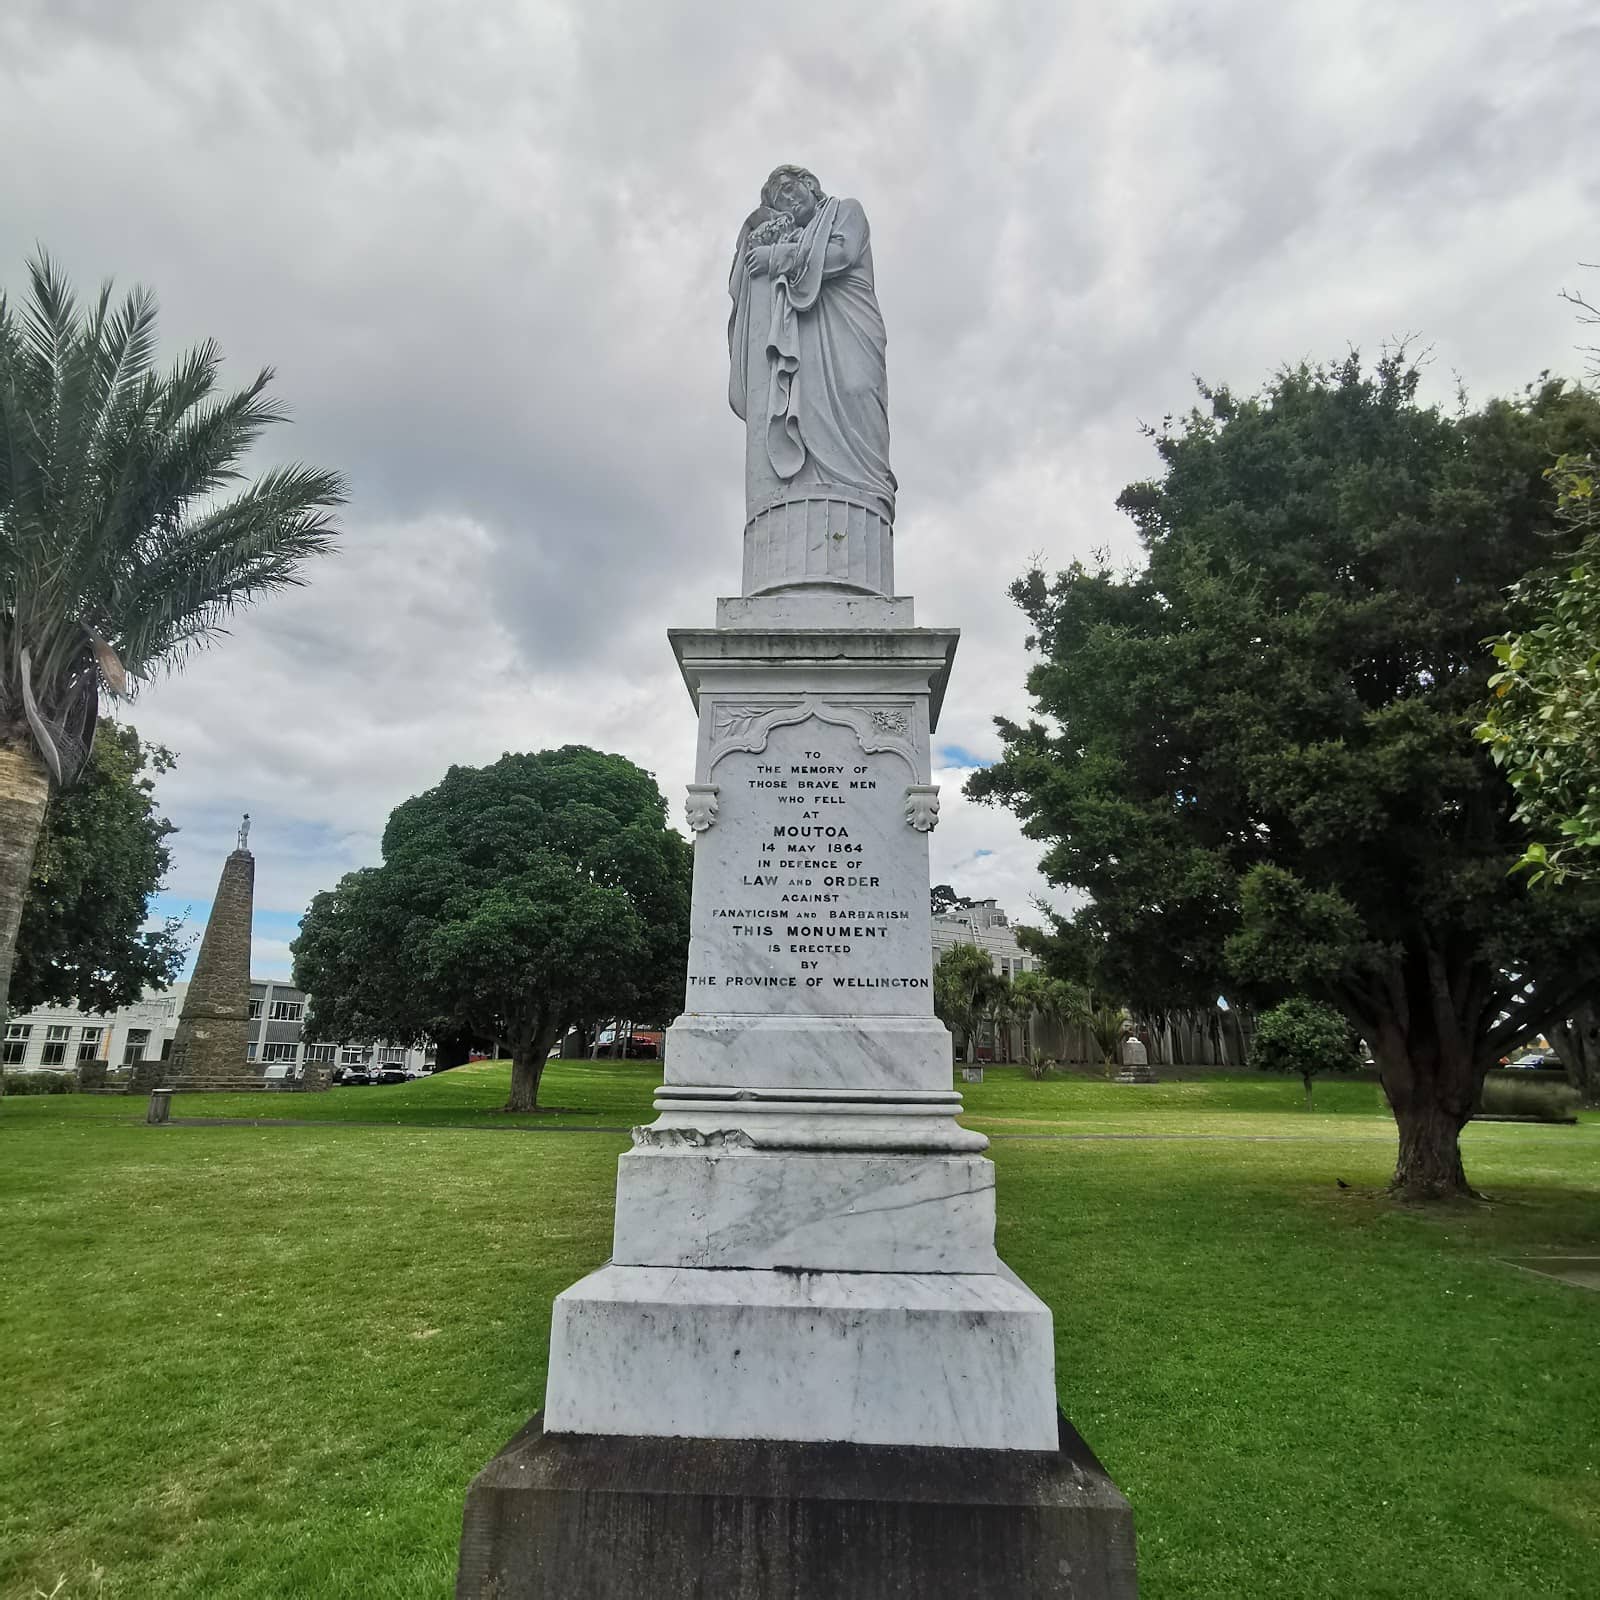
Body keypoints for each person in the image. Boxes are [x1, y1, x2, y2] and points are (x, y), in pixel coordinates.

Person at [727, 165, 896, 529]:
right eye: (778, 200)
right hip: (809, 344)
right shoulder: (795, 238)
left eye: (788, 189)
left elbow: (841, 254)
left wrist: (777, 258)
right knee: (809, 403)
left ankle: (866, 487)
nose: (786, 200)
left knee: (859, 393)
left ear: (809, 185)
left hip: (852, 328)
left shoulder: (845, 211)